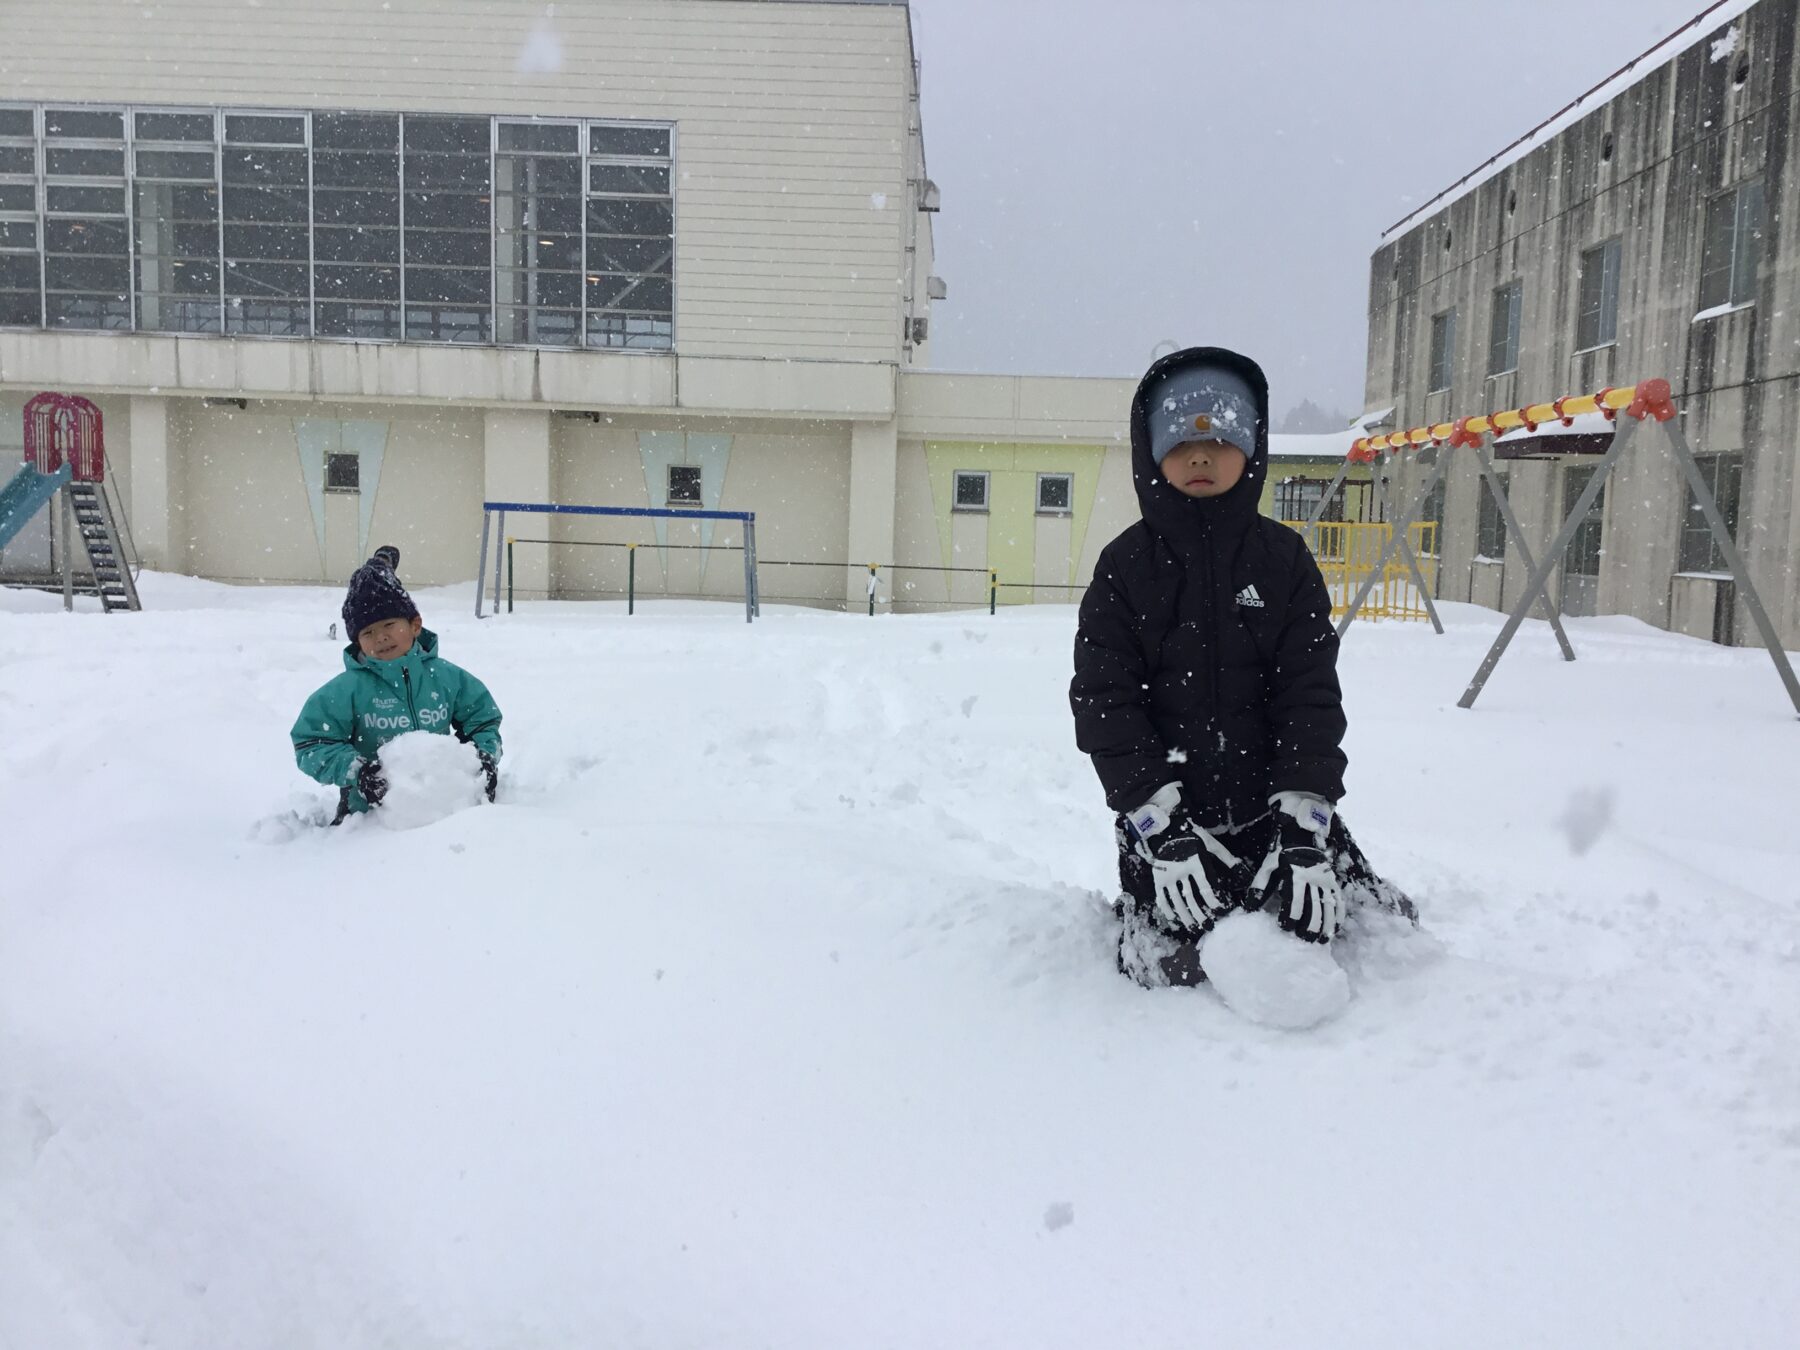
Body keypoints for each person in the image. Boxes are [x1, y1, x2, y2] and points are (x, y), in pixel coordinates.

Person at [1070, 347, 1414, 988]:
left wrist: (1306, 822)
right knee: (1176, 974)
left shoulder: (1284, 561)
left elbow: (1308, 697)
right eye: (1179, 440)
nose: (1201, 455)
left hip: (1275, 822)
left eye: (1222, 436)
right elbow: (1104, 702)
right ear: (1151, 450)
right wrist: (1158, 824)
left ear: (1251, 444)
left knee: (1374, 935)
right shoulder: (1125, 569)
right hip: (1172, 834)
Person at [292, 546, 503, 824]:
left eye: (389, 624)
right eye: (367, 632)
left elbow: (482, 719)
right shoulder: (347, 690)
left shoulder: (446, 678)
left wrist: (481, 757)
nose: (380, 638)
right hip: (369, 821)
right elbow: (312, 742)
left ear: (415, 625)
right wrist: (357, 771)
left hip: (447, 814)